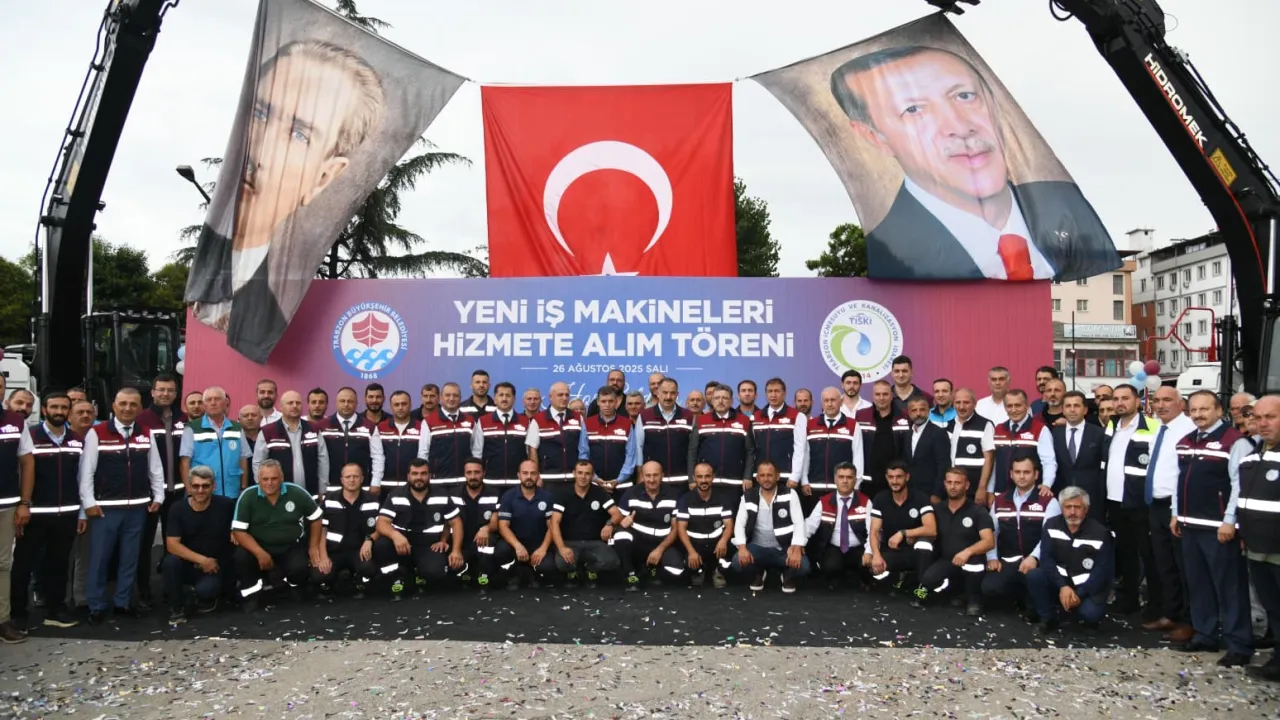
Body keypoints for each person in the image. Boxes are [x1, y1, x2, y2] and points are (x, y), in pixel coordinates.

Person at [828, 45, 1118, 281]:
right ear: (875, 137)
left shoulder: (1062, 203)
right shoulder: (894, 250)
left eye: (964, 96)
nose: (960, 126)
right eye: (914, 110)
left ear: (993, 103)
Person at [187, 40, 388, 362]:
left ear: (323, 177)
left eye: (299, 135)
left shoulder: (273, 319)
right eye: (260, 113)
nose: (260, 151)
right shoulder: (201, 276)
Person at [1169, 391, 1254, 666]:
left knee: (1230, 588)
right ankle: (1205, 635)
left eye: (1204, 409)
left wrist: (1230, 520)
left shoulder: (1235, 442)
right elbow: (1178, 480)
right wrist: (1175, 513)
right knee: (1199, 585)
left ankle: (1239, 644)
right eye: (1193, 410)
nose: (1198, 415)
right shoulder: (1186, 441)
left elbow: (1240, 485)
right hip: (1189, 525)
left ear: (1219, 410)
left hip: (1218, 529)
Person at [78, 388, 165, 624]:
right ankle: (96, 605)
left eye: (133, 404)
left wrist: (158, 496)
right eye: (123, 403)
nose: (128, 408)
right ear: (114, 406)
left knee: (130, 558)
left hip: (138, 508)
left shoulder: (145, 433)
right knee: (100, 558)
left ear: (140, 408)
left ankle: (122, 603)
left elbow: (155, 468)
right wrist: (89, 503)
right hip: (105, 509)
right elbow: (87, 471)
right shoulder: (97, 432)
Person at [11, 392, 83, 632]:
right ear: (44, 410)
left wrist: (82, 512)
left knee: (59, 564)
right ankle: (17, 613)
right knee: (23, 565)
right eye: (54, 407)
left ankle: (55, 610)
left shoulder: (76, 440)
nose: (59, 412)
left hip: (67, 514)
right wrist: (22, 505)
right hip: (34, 514)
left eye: (64, 407)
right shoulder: (30, 437)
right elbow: (19, 473)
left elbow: (82, 477)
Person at [231, 459, 323, 611]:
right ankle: (251, 595)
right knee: (241, 557)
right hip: (259, 546)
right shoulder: (248, 496)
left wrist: (313, 546)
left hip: (291, 546)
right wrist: (260, 553)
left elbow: (316, 518)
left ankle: (293, 587)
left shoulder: (296, 492)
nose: (269, 483)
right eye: (265, 479)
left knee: (299, 567)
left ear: (281, 478)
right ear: (258, 479)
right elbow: (239, 531)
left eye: (274, 478)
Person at [1103, 384, 1161, 618]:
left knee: (1149, 554)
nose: (1120, 403)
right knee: (1126, 553)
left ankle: (1156, 605)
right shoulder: (1112, 426)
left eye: (1125, 398)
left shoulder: (1153, 427)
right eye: (1116, 398)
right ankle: (1129, 600)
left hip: (1139, 502)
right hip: (1114, 501)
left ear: (1137, 402)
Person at [1144, 386, 1197, 641]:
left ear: (1181, 403)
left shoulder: (1188, 429)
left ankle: (1189, 620)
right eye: (1157, 400)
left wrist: (1176, 510)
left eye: (1167, 400)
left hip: (1177, 507)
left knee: (1183, 566)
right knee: (1164, 564)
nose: (1161, 405)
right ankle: (1171, 613)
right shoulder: (1158, 429)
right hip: (1156, 505)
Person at [981, 456, 1061, 619]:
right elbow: (991, 532)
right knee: (989, 587)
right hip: (1009, 560)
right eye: (1017, 472)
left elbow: (1051, 536)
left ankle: (1034, 600)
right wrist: (992, 557)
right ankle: (1019, 596)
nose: (1022, 476)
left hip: (1038, 563)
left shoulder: (1048, 501)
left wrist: (1034, 557)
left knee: (1034, 604)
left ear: (1036, 474)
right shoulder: (1000, 500)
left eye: (1026, 472)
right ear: (1011, 474)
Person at [1026, 486, 1114, 633]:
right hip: (1061, 582)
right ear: (1062, 508)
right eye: (1068, 507)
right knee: (1035, 576)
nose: (1072, 512)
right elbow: (1046, 559)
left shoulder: (1101, 533)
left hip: (1087, 587)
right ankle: (1048, 618)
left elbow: (1102, 571)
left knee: (1090, 614)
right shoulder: (1051, 525)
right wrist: (1063, 587)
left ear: (1086, 509)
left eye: (1077, 507)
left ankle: (1078, 612)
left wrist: (1079, 594)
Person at [1238, 395, 1280, 681]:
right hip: (1257, 546)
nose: (1263, 423)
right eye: (1258, 417)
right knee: (1273, 606)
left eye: (1271, 417)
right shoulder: (1254, 455)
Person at [161, 466, 235, 624]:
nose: (200, 490)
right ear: (189, 486)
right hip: (187, 563)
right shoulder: (177, 508)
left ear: (213, 486)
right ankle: (176, 610)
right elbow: (172, 545)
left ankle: (198, 595)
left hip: (213, 566)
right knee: (170, 562)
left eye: (205, 486)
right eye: (195, 486)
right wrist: (202, 560)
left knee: (207, 591)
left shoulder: (226, 505)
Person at [137, 373, 188, 588]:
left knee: (174, 544)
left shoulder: (184, 420)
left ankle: (172, 589)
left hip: (178, 494)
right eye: (161, 389)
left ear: (176, 394)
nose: (165, 394)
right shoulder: (141, 420)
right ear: (153, 392)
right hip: (150, 494)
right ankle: (144, 591)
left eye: (170, 390)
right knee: (144, 544)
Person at [922, 468, 994, 616]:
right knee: (928, 578)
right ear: (944, 484)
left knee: (974, 566)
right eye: (949, 482)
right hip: (947, 559)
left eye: (957, 483)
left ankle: (974, 600)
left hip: (971, 559)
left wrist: (968, 552)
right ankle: (949, 593)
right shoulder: (937, 509)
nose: (952, 486)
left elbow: (989, 542)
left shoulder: (978, 511)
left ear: (967, 485)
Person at [731, 460, 810, 593]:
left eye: (769, 475)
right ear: (757, 478)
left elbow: (799, 523)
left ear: (777, 476)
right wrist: (742, 548)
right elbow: (739, 524)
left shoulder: (790, 494)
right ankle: (758, 573)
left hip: (783, 549)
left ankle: (787, 575)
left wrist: (797, 548)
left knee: (804, 566)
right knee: (737, 562)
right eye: (762, 475)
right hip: (757, 547)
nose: (766, 479)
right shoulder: (748, 496)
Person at [866, 460, 937, 606]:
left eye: (899, 477)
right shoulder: (880, 499)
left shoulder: (920, 497)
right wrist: (876, 555)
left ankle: (922, 590)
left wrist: (903, 533)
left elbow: (931, 529)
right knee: (874, 569)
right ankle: (902, 578)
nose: (894, 481)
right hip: (893, 550)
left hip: (916, 551)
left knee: (924, 545)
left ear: (907, 477)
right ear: (886, 478)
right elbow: (874, 531)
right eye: (891, 477)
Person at [550, 460, 622, 588]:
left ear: (592, 475)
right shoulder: (562, 493)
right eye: (580, 473)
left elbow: (617, 514)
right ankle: (574, 570)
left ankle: (590, 569)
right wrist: (562, 548)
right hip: (570, 542)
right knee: (562, 564)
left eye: (587, 474)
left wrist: (609, 524)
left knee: (612, 561)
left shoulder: (599, 492)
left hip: (594, 542)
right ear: (574, 473)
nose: (583, 477)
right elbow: (554, 522)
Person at [613, 461, 684, 591]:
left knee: (676, 571)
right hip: (639, 542)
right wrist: (623, 521)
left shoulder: (674, 495)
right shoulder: (631, 492)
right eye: (648, 475)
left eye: (655, 475)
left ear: (662, 476)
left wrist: (659, 550)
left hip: (663, 543)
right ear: (642, 476)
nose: (651, 480)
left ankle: (651, 569)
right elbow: (618, 517)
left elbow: (675, 529)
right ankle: (630, 574)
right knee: (621, 535)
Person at [313, 463, 381, 599]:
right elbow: (322, 529)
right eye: (348, 477)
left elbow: (382, 526)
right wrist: (323, 556)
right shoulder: (329, 500)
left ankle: (357, 579)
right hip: (335, 551)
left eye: (355, 476)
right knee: (319, 576)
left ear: (362, 479)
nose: (352, 480)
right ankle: (338, 578)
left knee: (369, 569)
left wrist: (370, 540)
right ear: (342, 480)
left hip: (360, 550)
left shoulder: (373, 500)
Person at [804, 462, 872, 591]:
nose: (845, 481)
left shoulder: (865, 501)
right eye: (841, 477)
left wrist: (869, 551)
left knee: (868, 566)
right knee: (831, 566)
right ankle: (834, 578)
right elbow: (809, 526)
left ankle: (864, 580)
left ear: (855, 480)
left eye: (849, 477)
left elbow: (873, 531)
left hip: (859, 548)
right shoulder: (824, 501)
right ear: (835, 479)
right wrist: (798, 545)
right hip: (834, 548)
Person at [688, 383, 756, 507]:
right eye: (717, 398)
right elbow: (692, 451)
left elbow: (750, 451)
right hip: (707, 483)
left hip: (735, 483)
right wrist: (692, 479)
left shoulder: (744, 421)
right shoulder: (701, 421)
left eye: (724, 398)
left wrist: (748, 477)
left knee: (733, 516)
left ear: (731, 401)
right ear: (712, 400)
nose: (720, 401)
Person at [494, 460, 557, 589]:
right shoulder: (508, 496)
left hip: (538, 544)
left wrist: (543, 549)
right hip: (515, 544)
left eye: (533, 473)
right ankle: (514, 573)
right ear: (519, 475)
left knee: (548, 566)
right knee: (501, 550)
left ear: (538, 475)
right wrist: (517, 546)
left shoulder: (547, 497)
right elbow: (503, 526)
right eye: (525, 473)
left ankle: (532, 573)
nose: (529, 476)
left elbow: (552, 526)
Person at [180, 387, 251, 499]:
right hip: (203, 493)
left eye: (217, 399)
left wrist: (243, 488)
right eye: (209, 400)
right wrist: (190, 492)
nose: (213, 403)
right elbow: (185, 463)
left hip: (232, 491)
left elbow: (243, 459)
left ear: (225, 403)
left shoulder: (236, 428)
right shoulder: (192, 428)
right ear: (204, 404)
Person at [1047, 391, 1108, 522]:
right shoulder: (1054, 434)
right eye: (1068, 406)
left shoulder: (1099, 433)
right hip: (1062, 497)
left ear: (1085, 410)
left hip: (1092, 499)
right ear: (1063, 410)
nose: (1072, 410)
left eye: (1076, 405)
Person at [254, 390, 328, 496]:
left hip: (310, 494)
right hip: (279, 495)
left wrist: (322, 489)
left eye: (298, 403)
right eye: (290, 403)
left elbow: (323, 461)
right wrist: (263, 488)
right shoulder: (267, 432)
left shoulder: (313, 429)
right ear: (281, 407)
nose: (294, 406)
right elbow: (258, 463)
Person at [799, 388, 862, 511]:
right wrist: (804, 481)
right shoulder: (810, 425)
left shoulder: (853, 425)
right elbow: (805, 455)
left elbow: (858, 456)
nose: (829, 404)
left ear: (841, 401)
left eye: (833, 400)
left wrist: (856, 484)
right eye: (826, 400)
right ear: (821, 403)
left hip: (842, 487)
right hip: (814, 487)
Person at [676, 462, 735, 589]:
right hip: (695, 545)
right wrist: (691, 551)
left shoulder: (723, 499)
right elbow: (681, 528)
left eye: (707, 476)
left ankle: (718, 571)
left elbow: (729, 524)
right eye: (700, 476)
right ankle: (699, 570)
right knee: (682, 567)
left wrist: (723, 541)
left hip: (716, 545)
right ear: (694, 478)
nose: (703, 480)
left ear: (713, 477)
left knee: (736, 556)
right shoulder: (685, 500)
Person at [990, 389, 1055, 498]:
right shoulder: (999, 429)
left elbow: (1049, 461)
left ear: (1027, 406)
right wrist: (989, 490)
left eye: (1018, 405)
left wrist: (1046, 484)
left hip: (1032, 495)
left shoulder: (1040, 429)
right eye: (1009, 406)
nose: (1014, 410)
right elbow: (993, 464)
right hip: (1001, 494)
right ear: (1005, 408)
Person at [526, 382, 589, 494]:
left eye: (567, 395)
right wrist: (537, 475)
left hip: (574, 480)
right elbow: (532, 450)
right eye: (560, 395)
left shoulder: (578, 418)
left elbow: (583, 449)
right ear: (550, 397)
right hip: (548, 479)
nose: (564, 398)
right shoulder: (538, 419)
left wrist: (581, 474)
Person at [319, 386, 384, 494]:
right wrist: (322, 487)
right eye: (342, 401)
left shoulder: (369, 427)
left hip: (362, 489)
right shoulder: (322, 426)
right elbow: (319, 459)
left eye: (350, 401)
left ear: (356, 403)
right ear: (336, 403)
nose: (346, 404)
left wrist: (376, 482)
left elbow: (378, 456)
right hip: (331, 488)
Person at [635, 378, 694, 493]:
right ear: (658, 393)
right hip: (654, 481)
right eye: (665, 392)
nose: (668, 397)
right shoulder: (644, 415)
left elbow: (693, 449)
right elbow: (638, 447)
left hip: (682, 480)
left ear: (677, 394)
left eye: (672, 393)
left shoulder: (688, 416)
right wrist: (640, 474)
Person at [451, 457, 500, 591]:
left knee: (489, 542)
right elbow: (448, 522)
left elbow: (496, 522)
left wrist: (486, 528)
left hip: (482, 541)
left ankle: (484, 575)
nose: (473, 476)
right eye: (469, 472)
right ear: (464, 474)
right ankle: (464, 572)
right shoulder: (453, 494)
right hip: (460, 541)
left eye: (477, 472)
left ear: (484, 473)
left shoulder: (494, 493)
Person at [752, 378, 808, 494]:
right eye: (770, 391)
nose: (773, 395)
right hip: (761, 477)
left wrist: (795, 476)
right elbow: (751, 449)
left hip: (786, 477)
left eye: (777, 391)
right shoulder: (755, 417)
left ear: (784, 393)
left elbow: (800, 449)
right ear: (766, 393)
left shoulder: (797, 416)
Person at [854, 380, 908, 500]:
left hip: (895, 481)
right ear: (872, 396)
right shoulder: (861, 416)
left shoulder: (904, 416)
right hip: (868, 481)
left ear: (892, 395)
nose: (881, 398)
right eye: (878, 394)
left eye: (885, 394)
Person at [582, 386, 638, 495]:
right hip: (594, 485)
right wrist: (594, 478)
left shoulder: (626, 423)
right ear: (598, 402)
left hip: (622, 485)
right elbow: (583, 454)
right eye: (603, 401)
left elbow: (631, 456)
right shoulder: (588, 424)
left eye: (610, 401)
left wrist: (619, 479)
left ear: (616, 402)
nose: (607, 405)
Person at [472, 382, 527, 490]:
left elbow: (529, 452)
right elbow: (477, 452)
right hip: (490, 482)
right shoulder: (483, 422)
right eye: (501, 395)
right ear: (495, 399)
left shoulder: (525, 422)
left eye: (508, 395)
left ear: (514, 399)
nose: (504, 399)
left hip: (518, 482)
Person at [375, 390, 428, 492]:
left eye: (404, 404)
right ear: (391, 407)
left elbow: (423, 455)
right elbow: (377, 456)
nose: (400, 407)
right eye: (396, 404)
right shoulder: (381, 427)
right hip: (385, 484)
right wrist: (376, 482)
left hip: (412, 485)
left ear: (411, 405)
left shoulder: (421, 427)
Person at [948, 389, 995, 505]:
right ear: (953, 404)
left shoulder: (985, 425)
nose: (961, 407)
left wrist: (982, 488)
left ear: (974, 403)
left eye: (966, 402)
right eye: (958, 402)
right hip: (952, 489)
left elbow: (989, 459)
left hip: (974, 490)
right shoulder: (949, 426)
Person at [900, 396, 950, 502]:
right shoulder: (907, 435)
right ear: (909, 413)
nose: (918, 413)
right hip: (909, 492)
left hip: (930, 493)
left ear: (928, 411)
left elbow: (943, 465)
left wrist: (937, 493)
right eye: (914, 410)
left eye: (922, 410)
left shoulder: (938, 433)